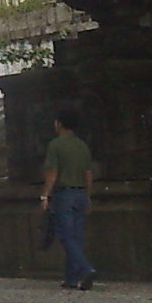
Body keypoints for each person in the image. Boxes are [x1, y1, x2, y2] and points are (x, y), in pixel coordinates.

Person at [41, 107, 96, 290]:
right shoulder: (82, 145)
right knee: (77, 236)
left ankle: (85, 268)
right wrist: (88, 196)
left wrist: (45, 195)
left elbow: (52, 173)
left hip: (64, 194)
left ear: (59, 124)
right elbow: (88, 173)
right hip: (81, 193)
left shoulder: (56, 145)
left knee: (65, 235)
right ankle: (71, 278)